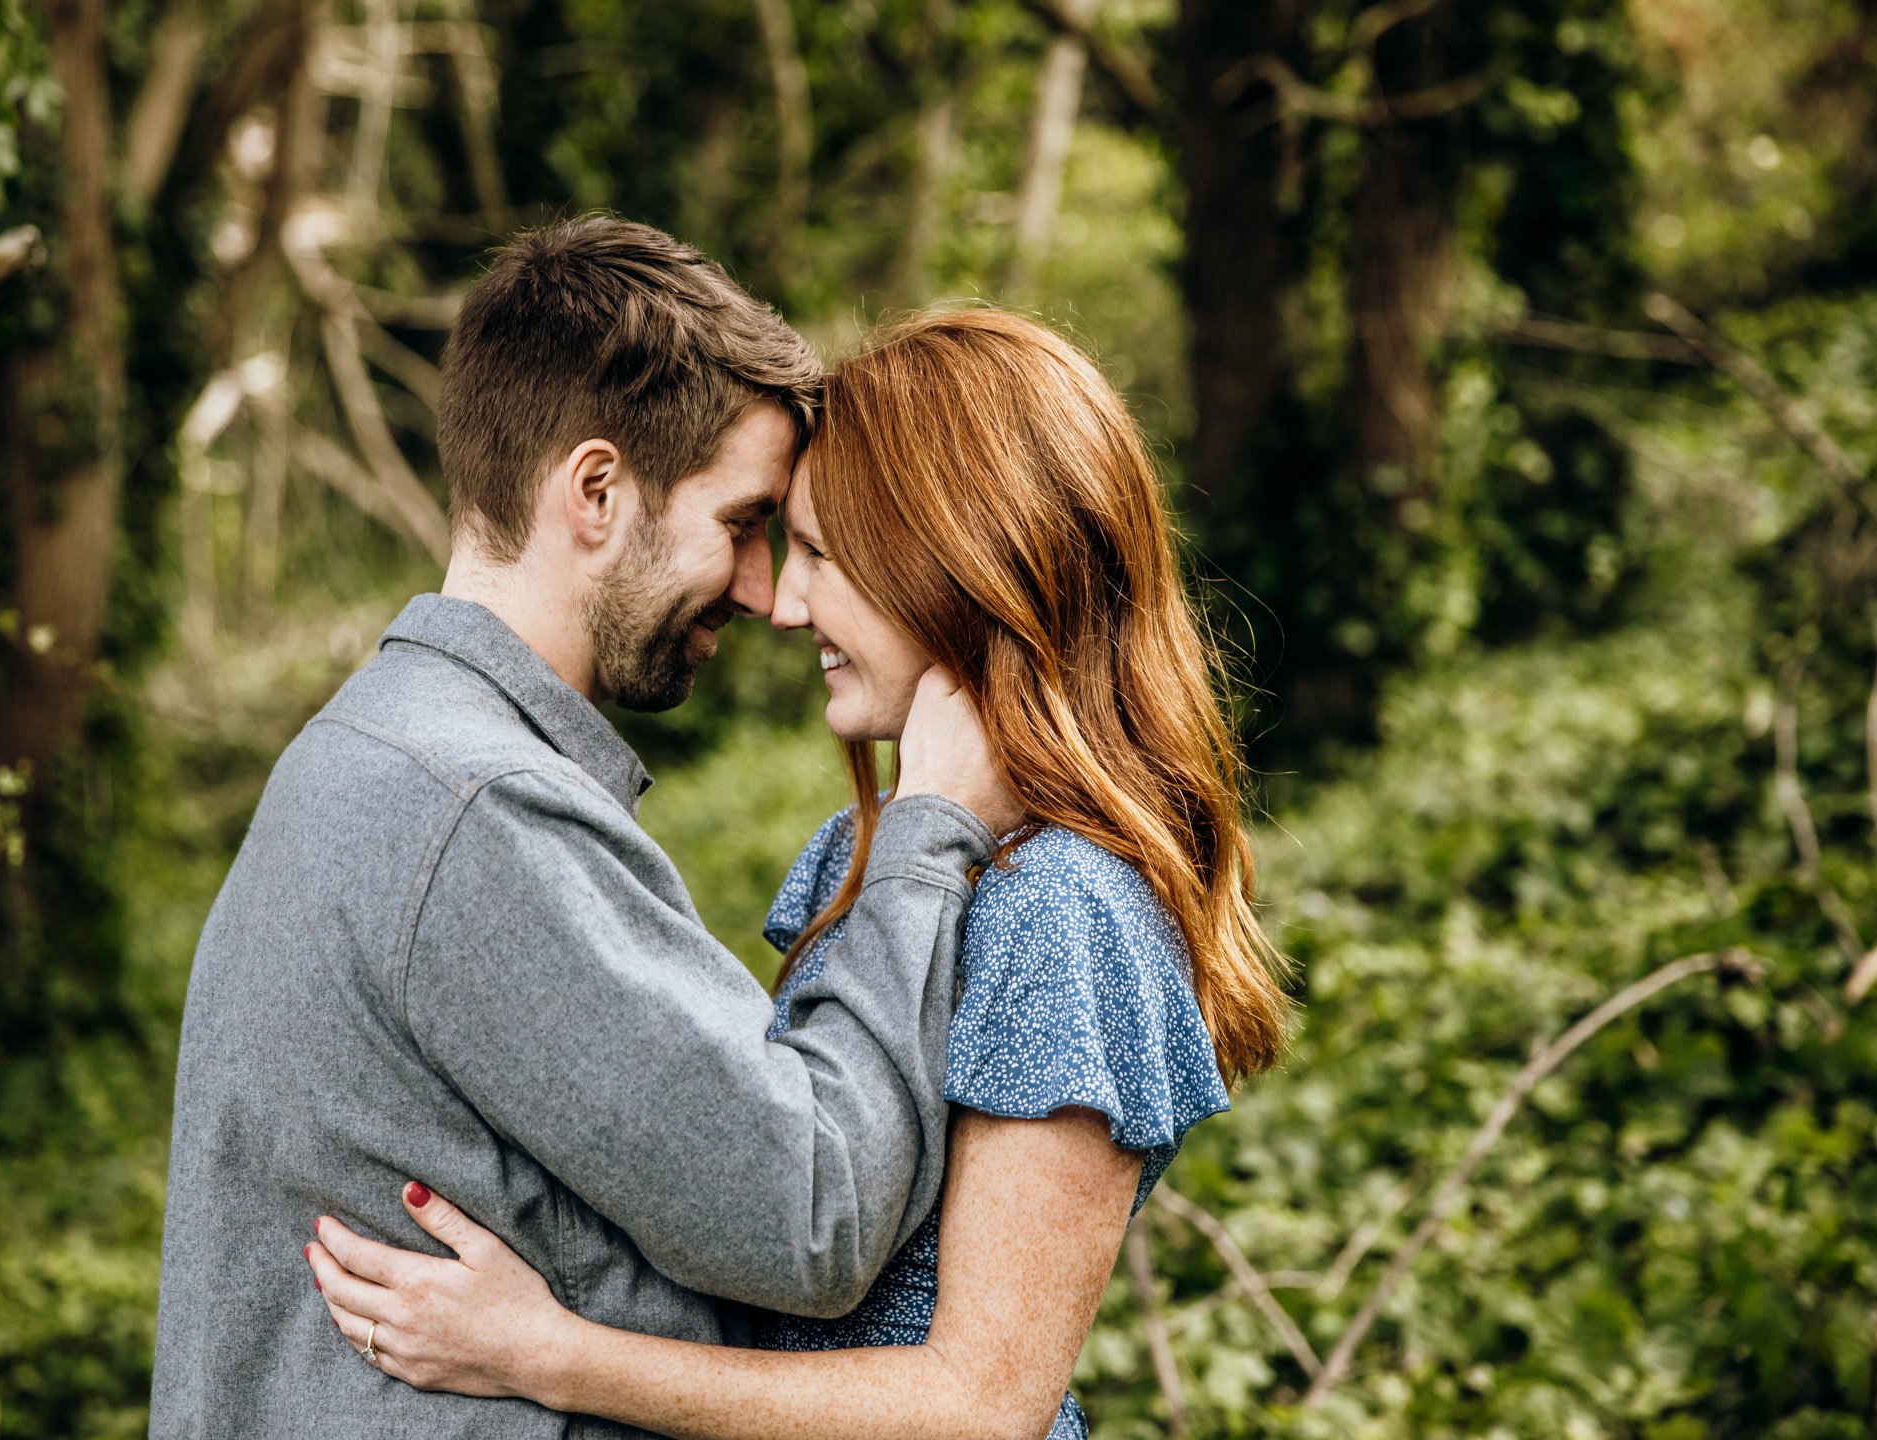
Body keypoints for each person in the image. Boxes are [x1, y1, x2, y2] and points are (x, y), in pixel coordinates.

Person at [302, 309, 1294, 1439]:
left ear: (961, 562)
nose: (783, 601)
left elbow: (975, 1409)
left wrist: (551, 1353)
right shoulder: (874, 855)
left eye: (825, 556)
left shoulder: (1063, 909)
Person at [150, 221, 1023, 1439]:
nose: (768, 592)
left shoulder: (365, 756)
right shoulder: (476, 813)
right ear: (598, 492)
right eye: (743, 522)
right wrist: (929, 834)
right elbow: (811, 1212)